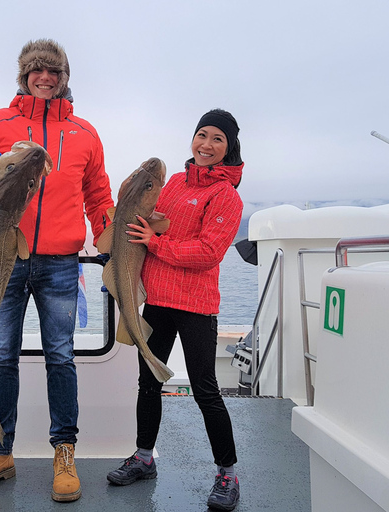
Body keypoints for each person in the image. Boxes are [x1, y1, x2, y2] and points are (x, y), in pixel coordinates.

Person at [0, 38, 114, 503]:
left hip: (60, 262)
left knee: (60, 357)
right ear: (24, 76)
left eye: (54, 72)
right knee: (0, 355)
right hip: (3, 254)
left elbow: (98, 195)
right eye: (36, 71)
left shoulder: (85, 132)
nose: (45, 78)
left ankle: (64, 452)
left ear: (65, 78)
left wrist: (108, 240)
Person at [106, 109, 244, 511]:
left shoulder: (226, 197)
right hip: (157, 301)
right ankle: (143, 457)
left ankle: (228, 473)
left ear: (228, 148)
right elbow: (146, 217)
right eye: (202, 135)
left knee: (205, 390)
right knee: (148, 383)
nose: (207, 145)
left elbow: (207, 252)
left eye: (218, 139)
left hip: (196, 305)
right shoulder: (176, 182)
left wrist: (155, 243)